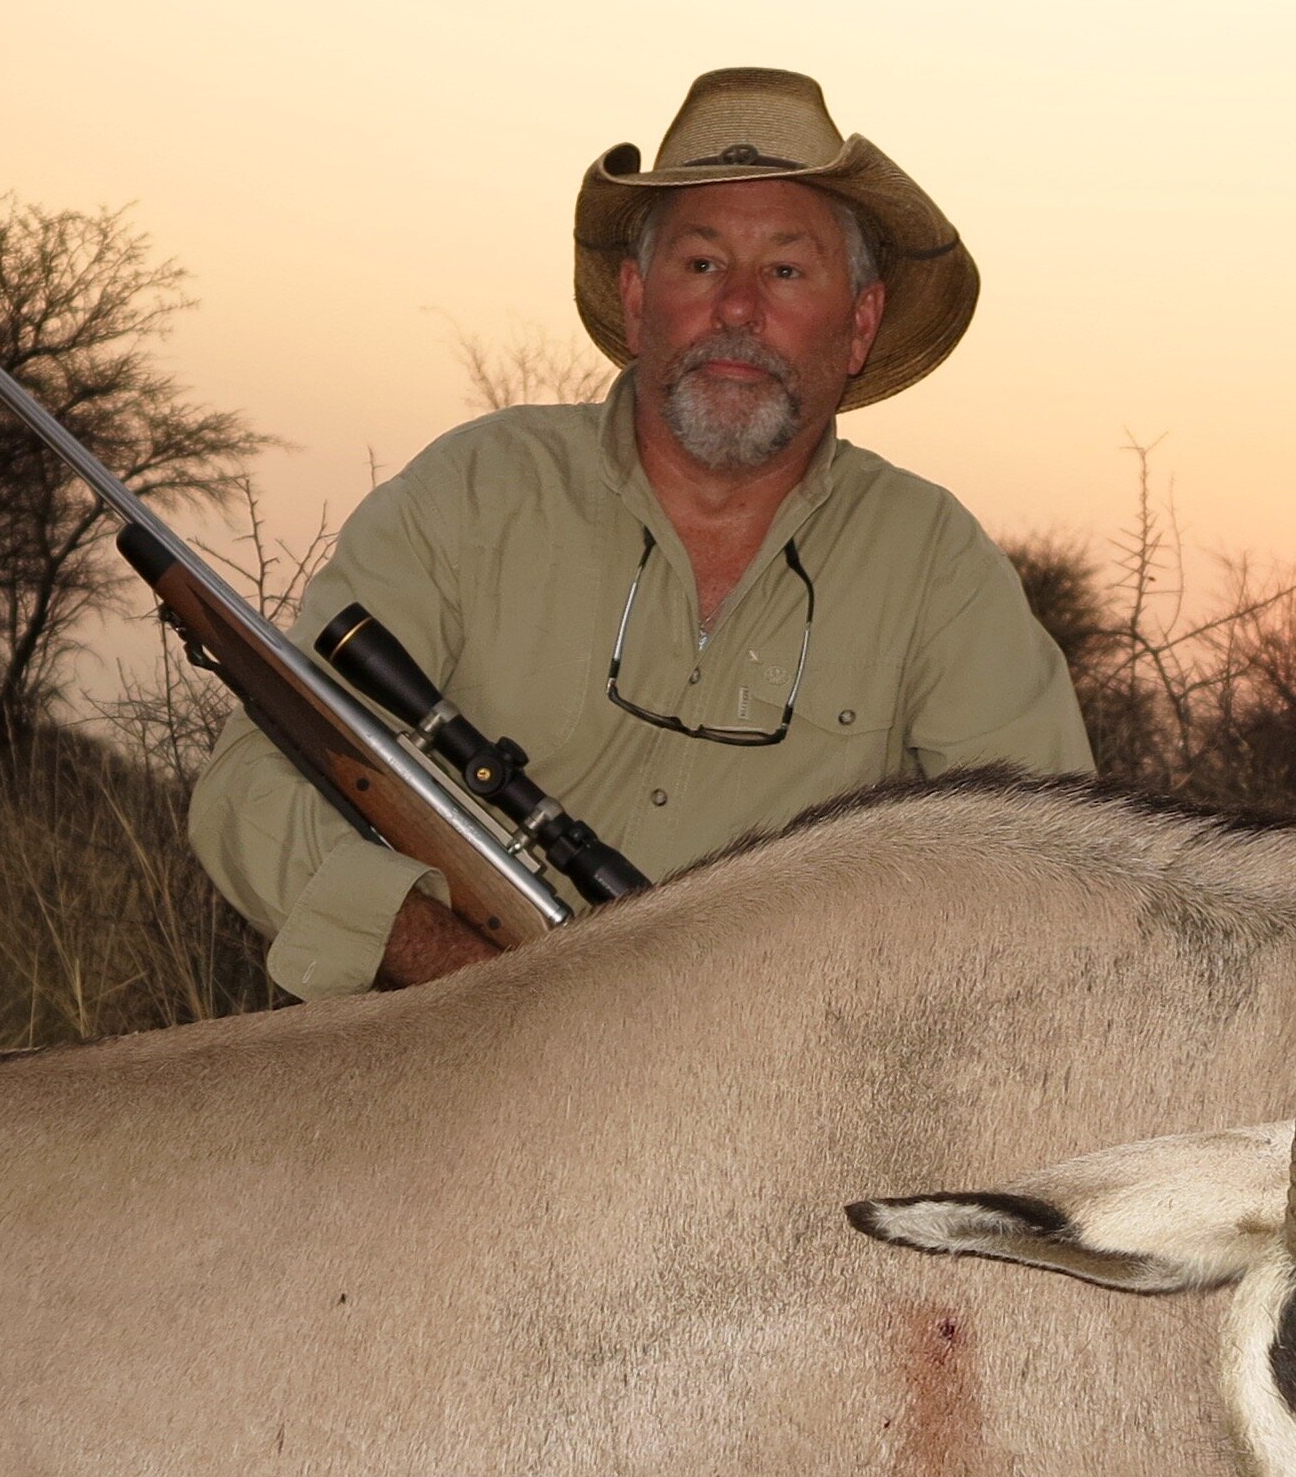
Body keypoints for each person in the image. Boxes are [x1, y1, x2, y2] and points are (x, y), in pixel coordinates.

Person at [188, 68, 1092, 996]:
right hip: (434, 1066)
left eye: (786, 270)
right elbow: (253, 783)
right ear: (634, 298)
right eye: (701, 265)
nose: (737, 309)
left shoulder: (935, 560)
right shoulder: (478, 487)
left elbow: (1056, 878)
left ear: (859, 324)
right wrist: (467, 981)